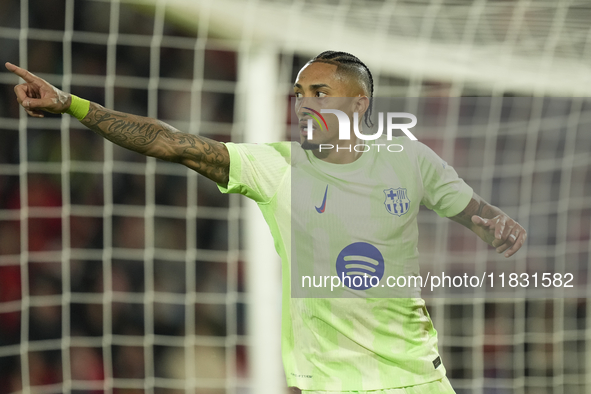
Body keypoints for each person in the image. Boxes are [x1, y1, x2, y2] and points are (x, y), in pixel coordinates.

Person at [6, 51, 526, 394]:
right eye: (299, 93)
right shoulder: (277, 166)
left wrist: (498, 227)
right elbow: (169, 141)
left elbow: (480, 216)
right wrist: (73, 105)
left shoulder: (411, 162)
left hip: (415, 380)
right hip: (325, 385)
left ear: (359, 103)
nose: (303, 103)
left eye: (319, 93)